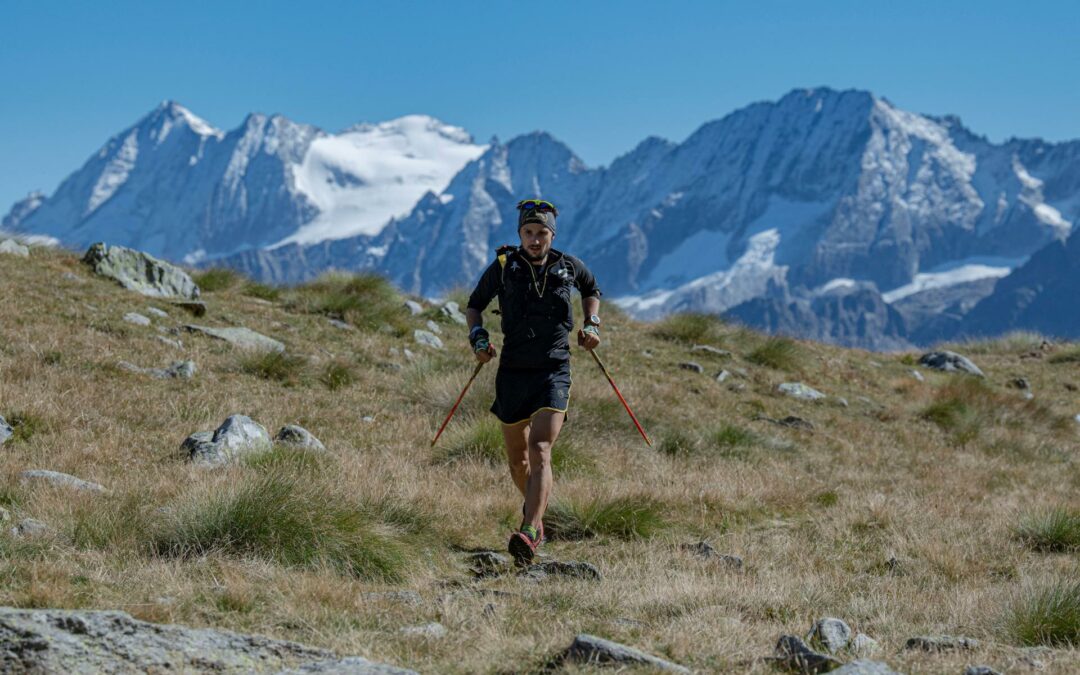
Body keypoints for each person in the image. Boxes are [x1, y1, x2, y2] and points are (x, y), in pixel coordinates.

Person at [465, 198, 602, 564]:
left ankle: (529, 530)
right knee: (516, 461)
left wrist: (592, 324)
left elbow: (591, 291)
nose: (535, 239)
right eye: (529, 232)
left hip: (554, 368)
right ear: (519, 234)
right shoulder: (504, 266)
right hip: (512, 370)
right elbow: (474, 304)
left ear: (552, 234)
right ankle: (536, 516)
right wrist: (478, 337)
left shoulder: (569, 266)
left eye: (542, 233)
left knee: (541, 448)